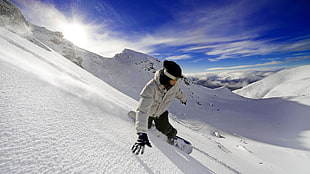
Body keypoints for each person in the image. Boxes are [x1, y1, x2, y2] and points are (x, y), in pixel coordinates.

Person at [131, 60, 187, 155]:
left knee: (165, 129)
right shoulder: (151, 88)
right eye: (175, 80)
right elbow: (143, 110)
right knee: (146, 127)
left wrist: (183, 99)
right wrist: (141, 133)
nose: (177, 82)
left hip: (161, 113)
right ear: (167, 79)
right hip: (148, 112)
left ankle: (172, 136)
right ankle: (139, 120)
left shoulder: (173, 87)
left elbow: (178, 93)